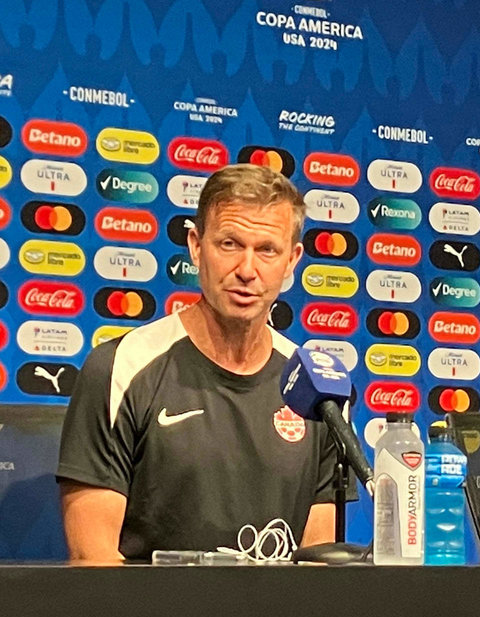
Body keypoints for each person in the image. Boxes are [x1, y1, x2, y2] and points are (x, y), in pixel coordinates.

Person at [57, 164, 349, 562]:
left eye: (267, 250)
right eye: (229, 244)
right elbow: (93, 559)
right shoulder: (122, 367)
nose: (247, 270)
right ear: (196, 246)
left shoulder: (316, 389)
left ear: (292, 259)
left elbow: (318, 567)